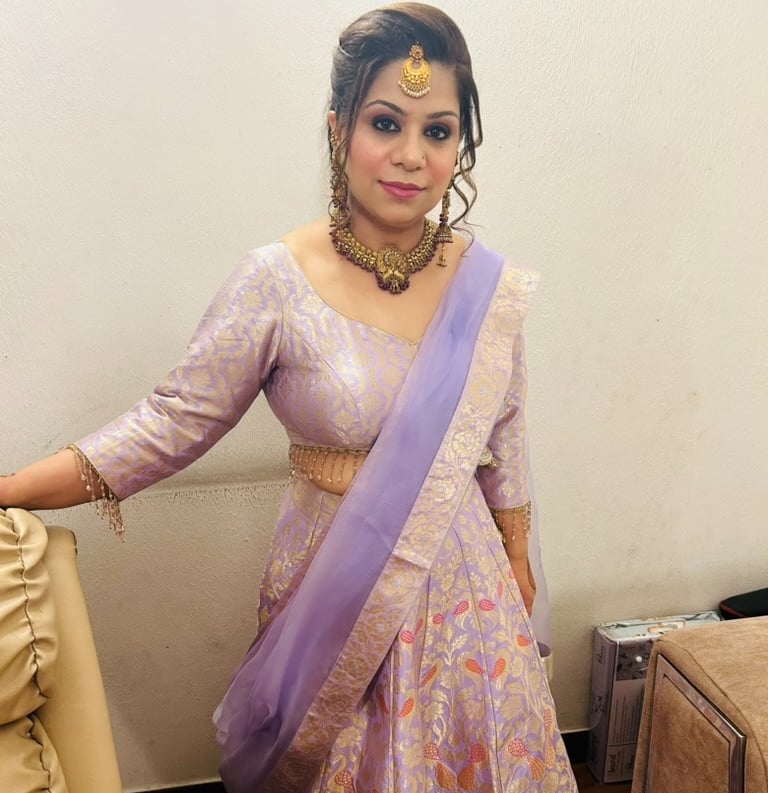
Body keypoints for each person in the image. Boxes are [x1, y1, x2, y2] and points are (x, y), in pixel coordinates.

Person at [0, 4, 578, 791]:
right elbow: (171, 421)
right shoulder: (275, 281)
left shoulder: (487, 288)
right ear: (339, 130)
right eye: (386, 123)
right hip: (328, 597)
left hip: (466, 599)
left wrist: (516, 565)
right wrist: (12, 488)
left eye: (439, 131)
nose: (411, 156)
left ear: (460, 147)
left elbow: (505, 437)